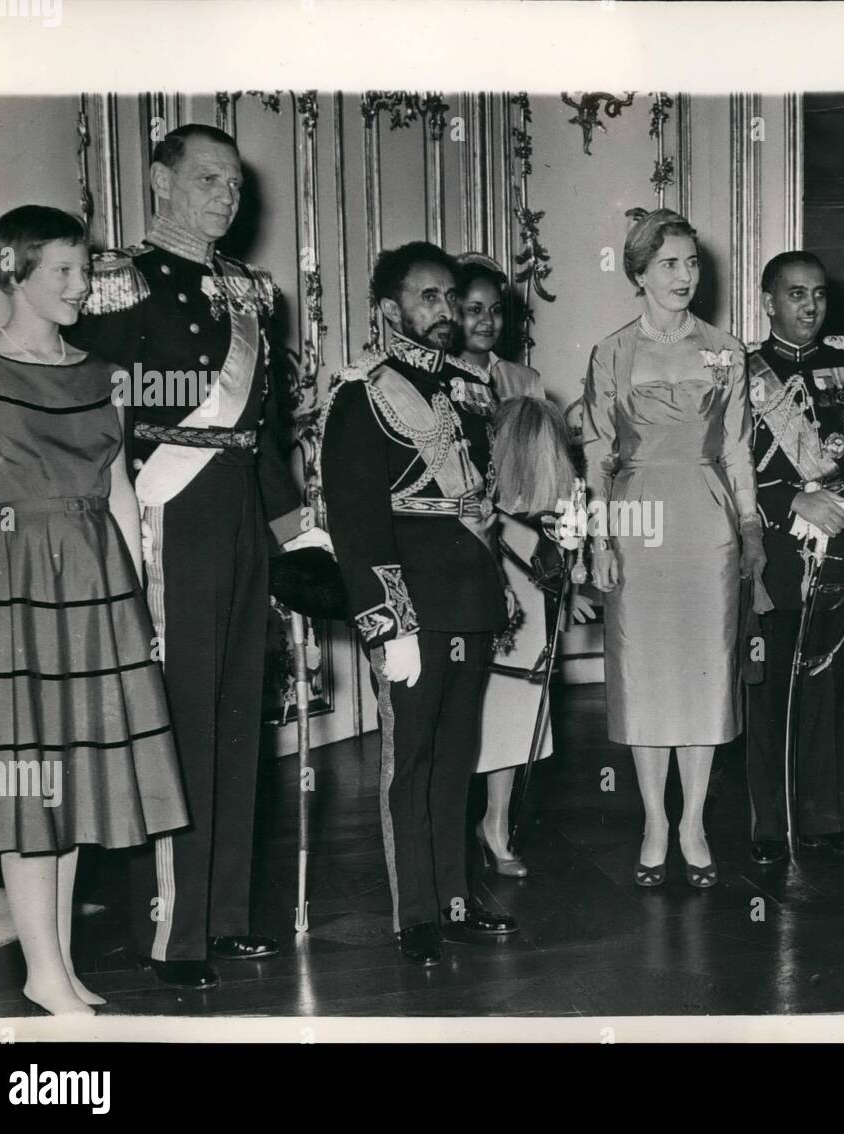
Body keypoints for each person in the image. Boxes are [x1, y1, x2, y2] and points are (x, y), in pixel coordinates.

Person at [68, 124, 311, 990]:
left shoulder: (252, 292)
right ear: (161, 180)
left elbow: (267, 430)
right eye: (206, 178)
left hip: (243, 507)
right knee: (178, 720)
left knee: (240, 717)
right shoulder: (117, 282)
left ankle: (228, 915)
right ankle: (171, 931)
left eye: (234, 184)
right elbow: (98, 422)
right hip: (166, 511)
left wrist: (297, 533)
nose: (225, 195)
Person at [0, 206, 189, 1014]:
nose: (81, 286)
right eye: (63, 271)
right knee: (35, 779)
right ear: (13, 269)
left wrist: (140, 604)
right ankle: (42, 968)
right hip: (17, 583)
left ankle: (54, 968)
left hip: (100, 582)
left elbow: (119, 491)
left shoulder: (100, 372)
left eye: (85, 269)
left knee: (75, 777)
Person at [320, 241, 519, 967]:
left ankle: (457, 896)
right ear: (389, 309)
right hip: (412, 608)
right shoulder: (361, 395)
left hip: (468, 599)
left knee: (457, 755)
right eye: (427, 298)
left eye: (448, 297)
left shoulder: (466, 391)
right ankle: (417, 914)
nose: (444, 311)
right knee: (411, 761)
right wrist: (389, 622)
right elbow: (356, 519)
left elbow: (480, 507)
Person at [583, 208, 764, 890]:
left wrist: (749, 530)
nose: (685, 275)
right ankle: (654, 820)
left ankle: (693, 822)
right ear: (638, 272)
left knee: (702, 673)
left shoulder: (724, 348)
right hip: (637, 519)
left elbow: (740, 447)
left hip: (706, 517)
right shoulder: (613, 353)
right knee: (644, 673)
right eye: (669, 264)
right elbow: (597, 452)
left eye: (692, 262)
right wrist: (598, 538)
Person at [744, 252, 844, 865]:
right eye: (794, 294)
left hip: (841, 544)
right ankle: (769, 822)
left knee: (828, 681)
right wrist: (793, 503)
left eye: (817, 294)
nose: (809, 306)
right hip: (772, 550)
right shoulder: (739, 372)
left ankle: (827, 818)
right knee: (769, 687)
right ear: (768, 302)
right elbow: (723, 465)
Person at [456, 255, 592, 876]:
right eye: (471, 308)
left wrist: (571, 565)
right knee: (462, 690)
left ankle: (497, 821)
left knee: (516, 694)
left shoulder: (526, 381)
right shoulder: (432, 378)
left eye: (494, 310)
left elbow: (557, 481)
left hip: (526, 553)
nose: (485, 321)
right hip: (463, 548)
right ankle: (446, 817)